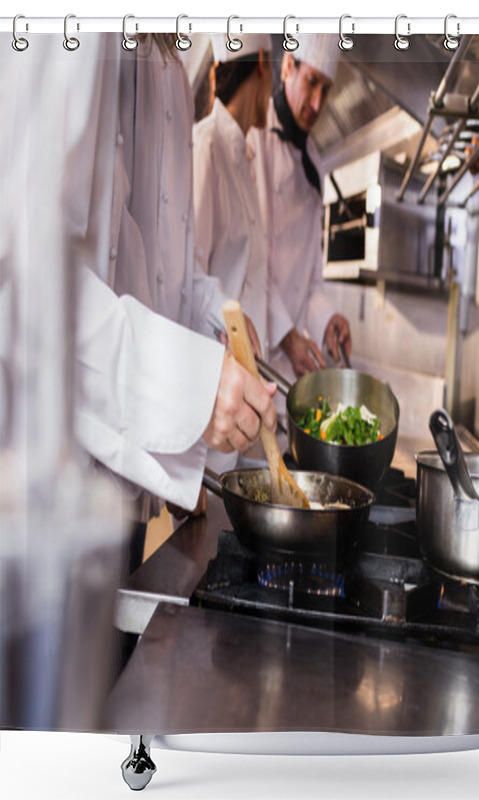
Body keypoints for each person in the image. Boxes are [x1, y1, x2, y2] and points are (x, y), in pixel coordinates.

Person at [0, 33, 277, 573]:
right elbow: (28, 289)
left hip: (124, 476)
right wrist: (192, 393)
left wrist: (220, 315)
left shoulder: (166, 65)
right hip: (39, 486)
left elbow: (158, 261)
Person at [248, 34, 352, 386]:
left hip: (291, 375)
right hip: (254, 357)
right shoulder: (253, 138)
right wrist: (288, 335)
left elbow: (310, 283)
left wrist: (328, 320)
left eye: (327, 89)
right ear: (288, 66)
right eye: (312, 83)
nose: (318, 102)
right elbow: (250, 262)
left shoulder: (315, 168)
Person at [192, 34, 274, 359]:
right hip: (217, 374)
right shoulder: (206, 146)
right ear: (261, 64)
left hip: (246, 374)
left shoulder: (244, 156)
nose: (271, 96)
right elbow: (190, 276)